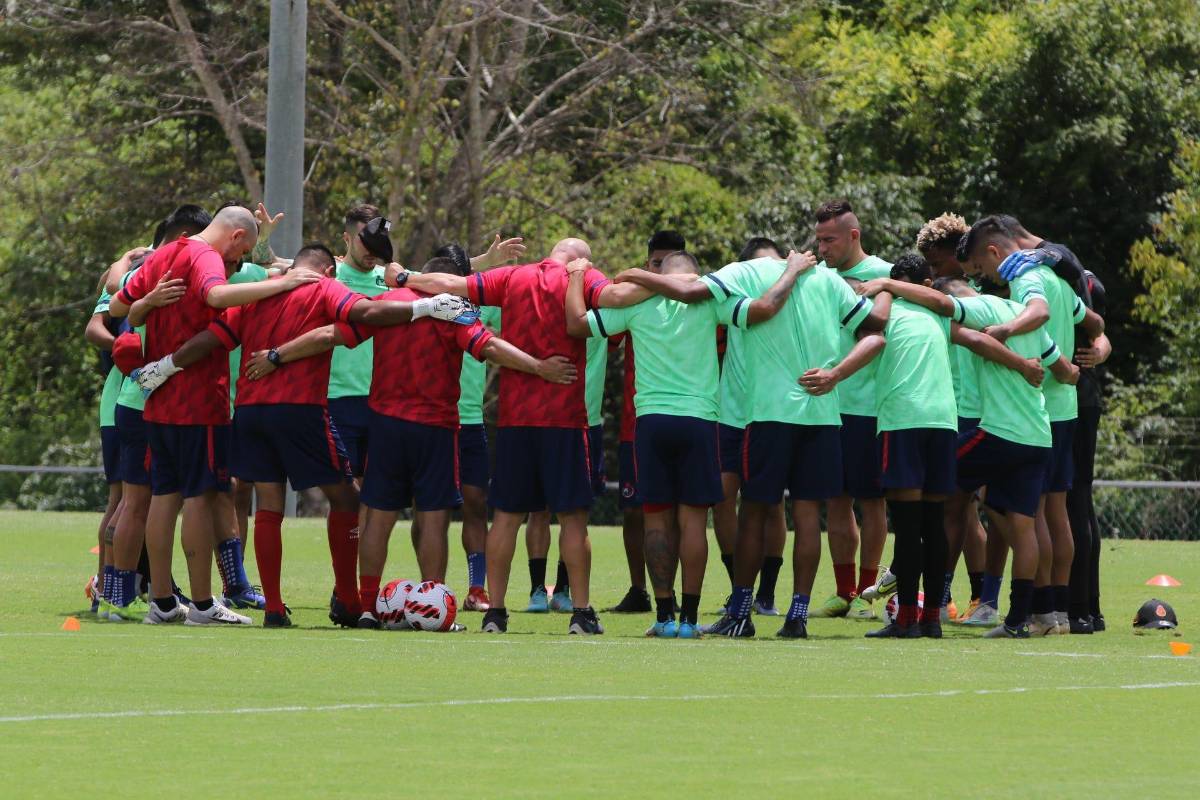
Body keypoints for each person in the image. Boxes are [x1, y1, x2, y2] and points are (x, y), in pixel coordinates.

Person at [614, 250, 890, 639]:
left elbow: (690, 293)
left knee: (754, 512)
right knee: (808, 516)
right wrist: (837, 373)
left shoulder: (748, 271)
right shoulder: (829, 280)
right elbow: (877, 330)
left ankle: (741, 613)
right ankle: (797, 616)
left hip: (769, 414)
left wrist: (635, 274)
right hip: (822, 414)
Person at [401, 238, 649, 634]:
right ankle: (581, 613)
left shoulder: (512, 277)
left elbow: (450, 283)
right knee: (573, 520)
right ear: (580, 258)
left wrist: (404, 277)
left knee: (506, 518)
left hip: (515, 421)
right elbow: (618, 297)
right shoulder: (582, 276)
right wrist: (671, 282)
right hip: (564, 420)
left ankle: (495, 613)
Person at [566, 249, 815, 637]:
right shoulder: (710, 302)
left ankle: (664, 616)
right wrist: (792, 272)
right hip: (700, 422)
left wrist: (577, 276)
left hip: (651, 422)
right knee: (694, 522)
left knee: (656, 519)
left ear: (661, 274)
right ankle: (689, 620)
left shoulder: (636, 305)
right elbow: (764, 309)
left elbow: (577, 324)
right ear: (695, 276)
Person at [106, 206, 322, 625]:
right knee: (200, 497)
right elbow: (215, 296)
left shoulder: (164, 254)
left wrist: (145, 303)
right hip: (198, 399)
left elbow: (118, 305)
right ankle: (203, 605)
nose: (236, 260)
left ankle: (161, 603)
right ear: (236, 236)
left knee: (163, 496)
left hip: (158, 400)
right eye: (241, 250)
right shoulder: (205, 256)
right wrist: (282, 283)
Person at [856, 273, 1079, 638]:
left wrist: (889, 285)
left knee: (927, 500)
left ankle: (907, 584)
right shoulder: (1025, 316)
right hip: (1039, 436)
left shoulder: (978, 307)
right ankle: (1029, 617)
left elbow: (956, 318)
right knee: (1020, 524)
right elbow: (1066, 371)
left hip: (997, 433)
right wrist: (1068, 372)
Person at [956, 217, 1104, 635]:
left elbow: (1038, 314)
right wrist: (1097, 351)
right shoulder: (1059, 279)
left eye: (982, 269)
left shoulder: (1026, 280)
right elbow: (1094, 323)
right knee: (1056, 512)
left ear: (994, 251)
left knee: (1028, 516)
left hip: (1039, 408)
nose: (986, 279)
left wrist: (1005, 329)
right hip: (1067, 407)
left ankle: (1039, 610)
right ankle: (1059, 611)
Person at [98, 205, 212, 621]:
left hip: (136, 401)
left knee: (132, 504)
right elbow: (116, 303)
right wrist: (145, 299)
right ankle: (119, 599)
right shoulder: (166, 273)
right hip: (148, 403)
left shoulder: (143, 271)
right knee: (137, 504)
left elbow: (116, 292)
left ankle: (117, 595)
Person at [809, 200, 893, 620]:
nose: (822, 248)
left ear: (853, 235)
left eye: (830, 240)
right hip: (827, 407)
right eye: (819, 240)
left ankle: (867, 593)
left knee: (872, 501)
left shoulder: (885, 275)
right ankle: (843, 592)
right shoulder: (818, 277)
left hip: (869, 407)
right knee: (836, 501)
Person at [605, 230, 687, 615]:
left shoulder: (699, 300)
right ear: (646, 264)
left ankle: (677, 594)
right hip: (635, 424)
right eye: (656, 264)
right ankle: (639, 589)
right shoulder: (632, 301)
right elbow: (603, 338)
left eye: (669, 264)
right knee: (635, 510)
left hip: (690, 419)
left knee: (683, 513)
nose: (662, 272)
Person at [916, 212, 989, 623]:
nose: (933, 272)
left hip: (971, 413)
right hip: (957, 410)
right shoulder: (948, 296)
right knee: (965, 511)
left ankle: (943, 597)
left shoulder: (968, 299)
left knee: (955, 508)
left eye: (937, 262)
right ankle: (979, 597)